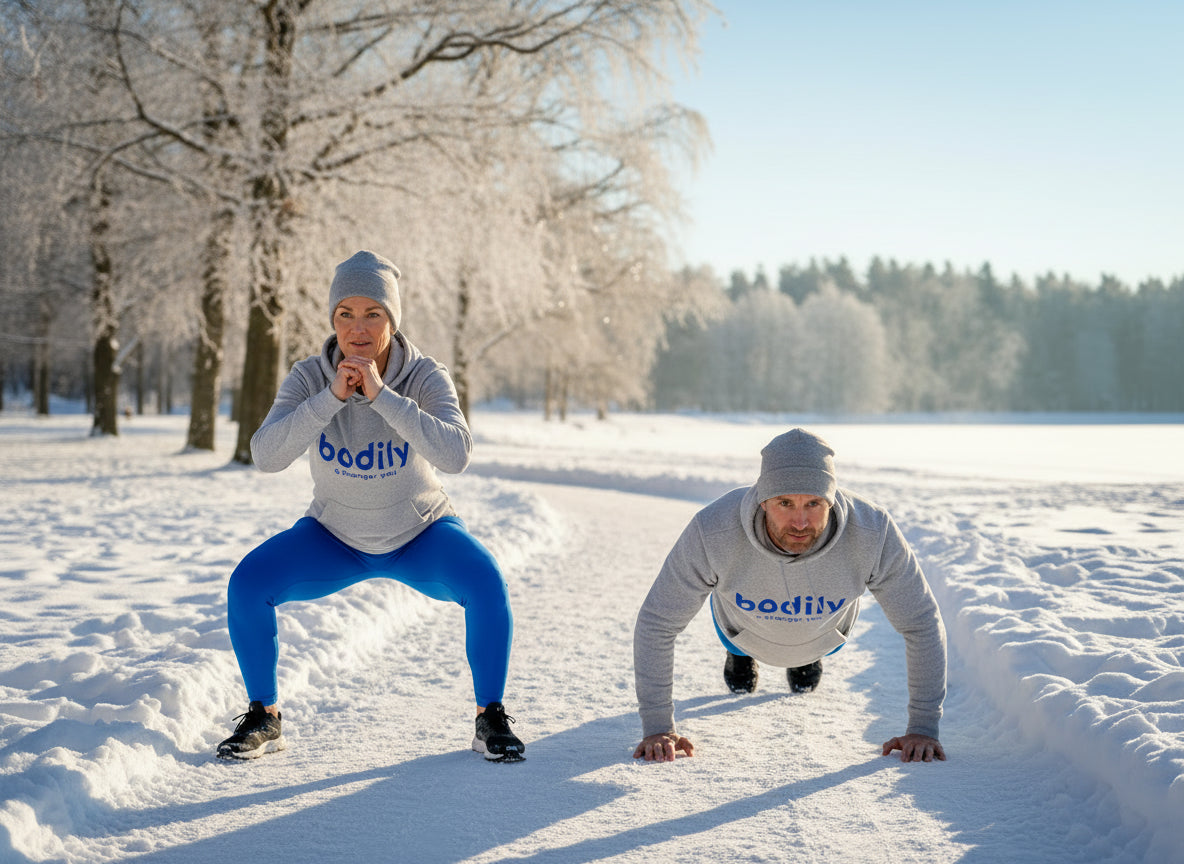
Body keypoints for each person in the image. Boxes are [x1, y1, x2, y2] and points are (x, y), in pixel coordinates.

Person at [217, 250, 525, 763]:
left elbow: (456, 454)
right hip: (334, 536)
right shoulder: (308, 376)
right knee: (247, 584)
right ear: (333, 318)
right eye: (345, 313)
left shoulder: (426, 376)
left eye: (372, 313)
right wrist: (331, 398)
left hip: (420, 534)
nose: (357, 328)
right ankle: (264, 717)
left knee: (486, 581)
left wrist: (383, 396)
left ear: (392, 319)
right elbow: (265, 455)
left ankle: (489, 715)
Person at [632, 428, 946, 764]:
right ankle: (738, 652)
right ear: (763, 500)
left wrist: (923, 728)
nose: (800, 521)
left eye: (813, 503)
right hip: (743, 628)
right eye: (785, 503)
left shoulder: (872, 531)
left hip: (824, 630)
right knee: (732, 606)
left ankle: (806, 651)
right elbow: (658, 622)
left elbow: (921, 622)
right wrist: (657, 727)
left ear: (831, 498)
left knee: (805, 645)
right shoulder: (713, 530)